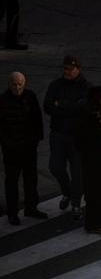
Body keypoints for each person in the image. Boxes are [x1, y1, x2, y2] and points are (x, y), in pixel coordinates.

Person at [43, 55, 89, 219]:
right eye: (65, 69)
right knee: (55, 167)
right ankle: (67, 192)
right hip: (58, 134)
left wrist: (61, 104)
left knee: (77, 173)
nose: (67, 72)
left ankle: (76, 202)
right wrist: (72, 107)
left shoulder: (86, 87)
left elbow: (84, 108)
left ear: (78, 69)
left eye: (70, 69)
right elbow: (47, 106)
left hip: (77, 136)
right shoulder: (55, 85)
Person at [0, 71, 45, 226]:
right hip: (11, 149)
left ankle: (31, 207)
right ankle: (12, 212)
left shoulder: (30, 97)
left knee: (31, 179)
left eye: (20, 84)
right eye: (15, 84)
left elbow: (37, 119)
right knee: (12, 181)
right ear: (9, 84)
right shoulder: (2, 100)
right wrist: (7, 143)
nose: (18, 87)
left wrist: (35, 140)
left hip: (28, 147)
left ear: (24, 84)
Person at [75, 86, 101, 235]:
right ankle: (94, 223)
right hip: (94, 162)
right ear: (98, 98)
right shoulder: (89, 116)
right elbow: (89, 140)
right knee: (96, 194)